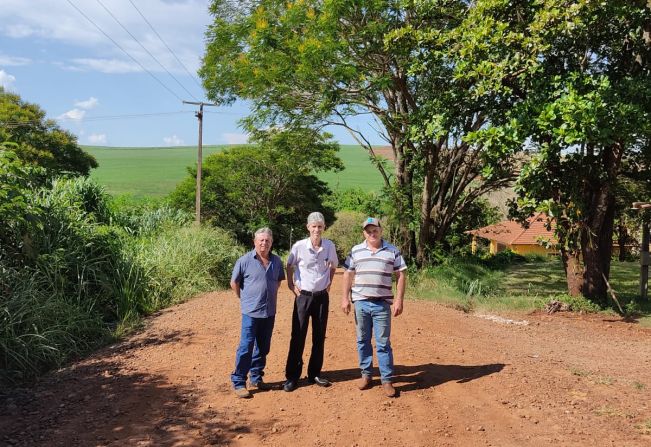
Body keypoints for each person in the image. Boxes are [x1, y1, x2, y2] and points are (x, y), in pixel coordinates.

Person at [341, 217, 407, 398]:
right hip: (361, 303)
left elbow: (401, 275)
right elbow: (347, 274)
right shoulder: (356, 250)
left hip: (382, 304)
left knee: (383, 343)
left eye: (375, 230)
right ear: (364, 233)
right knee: (362, 340)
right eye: (368, 231)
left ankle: (386, 380)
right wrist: (345, 298)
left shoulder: (392, 251)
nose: (372, 233)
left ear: (381, 231)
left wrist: (399, 300)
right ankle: (366, 375)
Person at [283, 212, 338, 392]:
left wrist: (329, 283)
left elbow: (334, 266)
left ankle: (315, 373)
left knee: (319, 336)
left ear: (324, 228)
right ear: (308, 227)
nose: (316, 230)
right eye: (313, 226)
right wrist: (291, 284)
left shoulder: (329, 245)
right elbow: (289, 265)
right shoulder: (299, 246)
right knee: (298, 335)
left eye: (320, 226)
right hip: (303, 297)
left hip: (321, 297)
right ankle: (292, 376)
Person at [230, 227, 285, 398]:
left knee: (263, 347)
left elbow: (278, 282)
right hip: (250, 313)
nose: (264, 243)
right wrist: (245, 299)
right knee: (246, 347)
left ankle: (256, 377)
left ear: (271, 243)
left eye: (267, 240)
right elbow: (234, 283)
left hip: (269, 312)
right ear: (254, 242)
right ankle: (239, 381)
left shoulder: (276, 261)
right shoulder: (244, 260)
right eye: (261, 240)